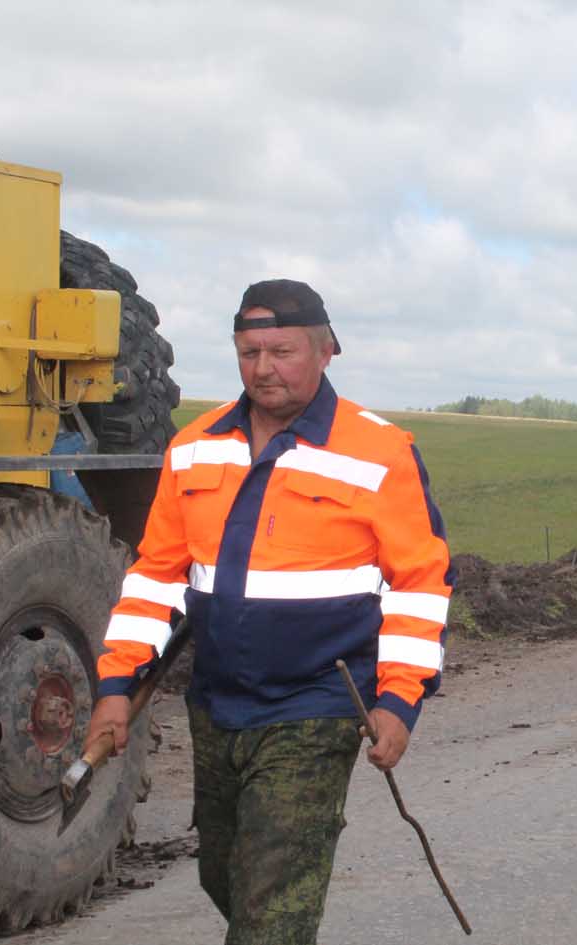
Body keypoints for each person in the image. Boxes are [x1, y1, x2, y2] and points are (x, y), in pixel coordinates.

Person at [85, 279, 453, 944]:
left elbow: (419, 585)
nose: (263, 369)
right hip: (217, 704)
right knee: (224, 878)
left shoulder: (379, 452)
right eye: (249, 352)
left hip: (316, 705)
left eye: (282, 352)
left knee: (271, 913)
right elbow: (156, 578)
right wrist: (116, 685)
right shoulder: (193, 446)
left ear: (326, 350)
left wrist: (399, 699)